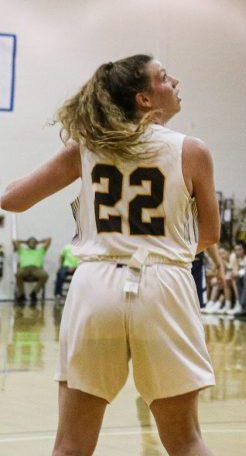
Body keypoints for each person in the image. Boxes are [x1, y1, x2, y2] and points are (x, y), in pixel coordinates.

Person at [1, 54, 218, 456]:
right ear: (144, 99)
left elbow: (12, 200)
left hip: (95, 285)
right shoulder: (192, 150)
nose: (175, 80)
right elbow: (210, 234)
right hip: (164, 284)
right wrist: (160, 251)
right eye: (164, 77)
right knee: (186, 442)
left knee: (70, 445)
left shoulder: (87, 149)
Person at [14, 235, 51, 305]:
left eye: (33, 242)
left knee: (45, 275)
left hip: (36, 269)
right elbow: (15, 241)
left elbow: (49, 239)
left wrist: (37, 242)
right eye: (31, 242)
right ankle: (22, 294)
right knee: (17, 274)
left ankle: (34, 293)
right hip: (24, 268)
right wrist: (27, 242)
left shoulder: (40, 250)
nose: (32, 243)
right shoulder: (22, 250)